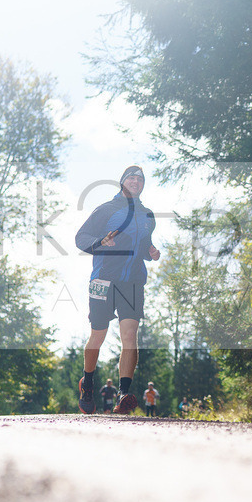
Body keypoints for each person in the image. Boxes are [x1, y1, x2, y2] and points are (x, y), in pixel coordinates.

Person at [74, 165, 161, 415]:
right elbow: (81, 237)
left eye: (140, 179)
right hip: (104, 279)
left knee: (130, 335)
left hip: (133, 281)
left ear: (143, 185)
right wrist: (99, 242)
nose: (135, 182)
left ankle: (124, 393)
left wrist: (151, 252)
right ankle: (87, 383)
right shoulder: (106, 210)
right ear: (122, 182)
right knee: (98, 335)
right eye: (131, 178)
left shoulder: (148, 215)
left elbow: (144, 245)